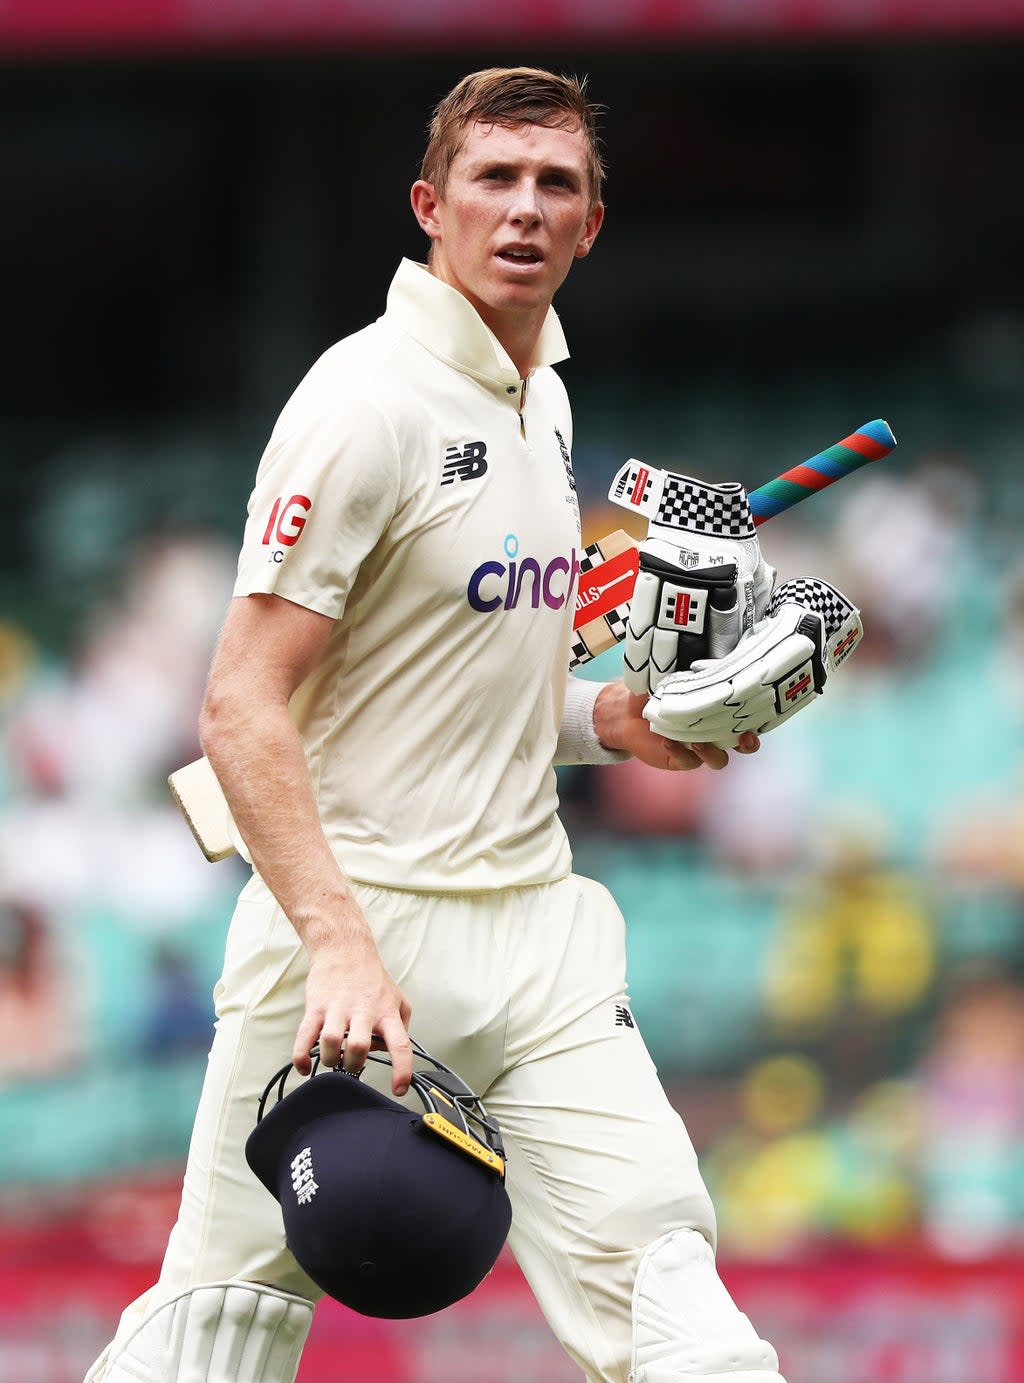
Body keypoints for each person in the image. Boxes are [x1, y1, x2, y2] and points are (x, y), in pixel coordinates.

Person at [85, 67, 791, 1383]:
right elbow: (242, 704)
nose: (524, 211)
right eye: (494, 180)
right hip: (356, 933)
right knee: (221, 1324)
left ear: (593, 225)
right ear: (430, 205)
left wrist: (617, 720)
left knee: (671, 1296)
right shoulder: (366, 404)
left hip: (538, 928)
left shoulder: (546, 398)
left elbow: (474, 683)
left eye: (556, 186)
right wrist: (339, 948)